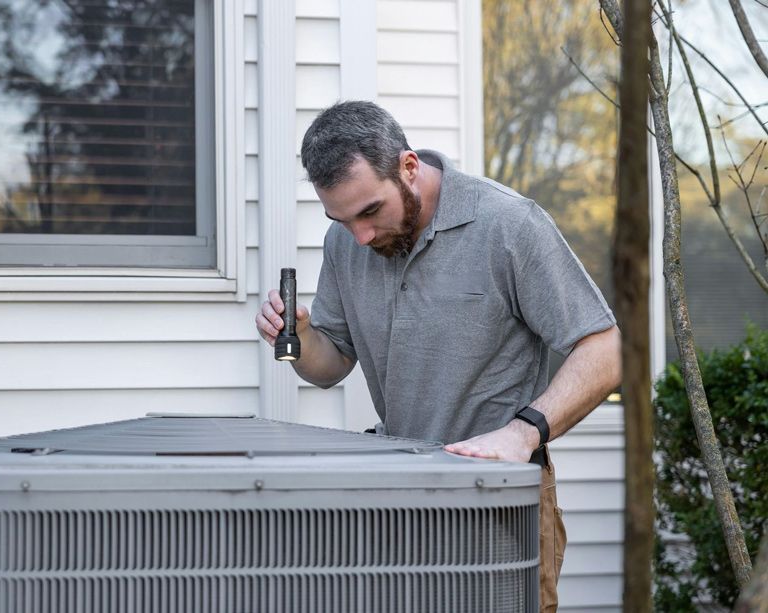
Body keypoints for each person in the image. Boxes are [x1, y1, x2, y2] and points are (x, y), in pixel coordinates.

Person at [255, 101, 621, 612]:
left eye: (370, 212)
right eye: (340, 218)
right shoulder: (346, 241)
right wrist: (299, 336)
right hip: (400, 500)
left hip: (498, 500)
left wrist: (523, 432)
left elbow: (605, 348)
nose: (359, 235)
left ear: (408, 167)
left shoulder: (508, 224)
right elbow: (331, 362)